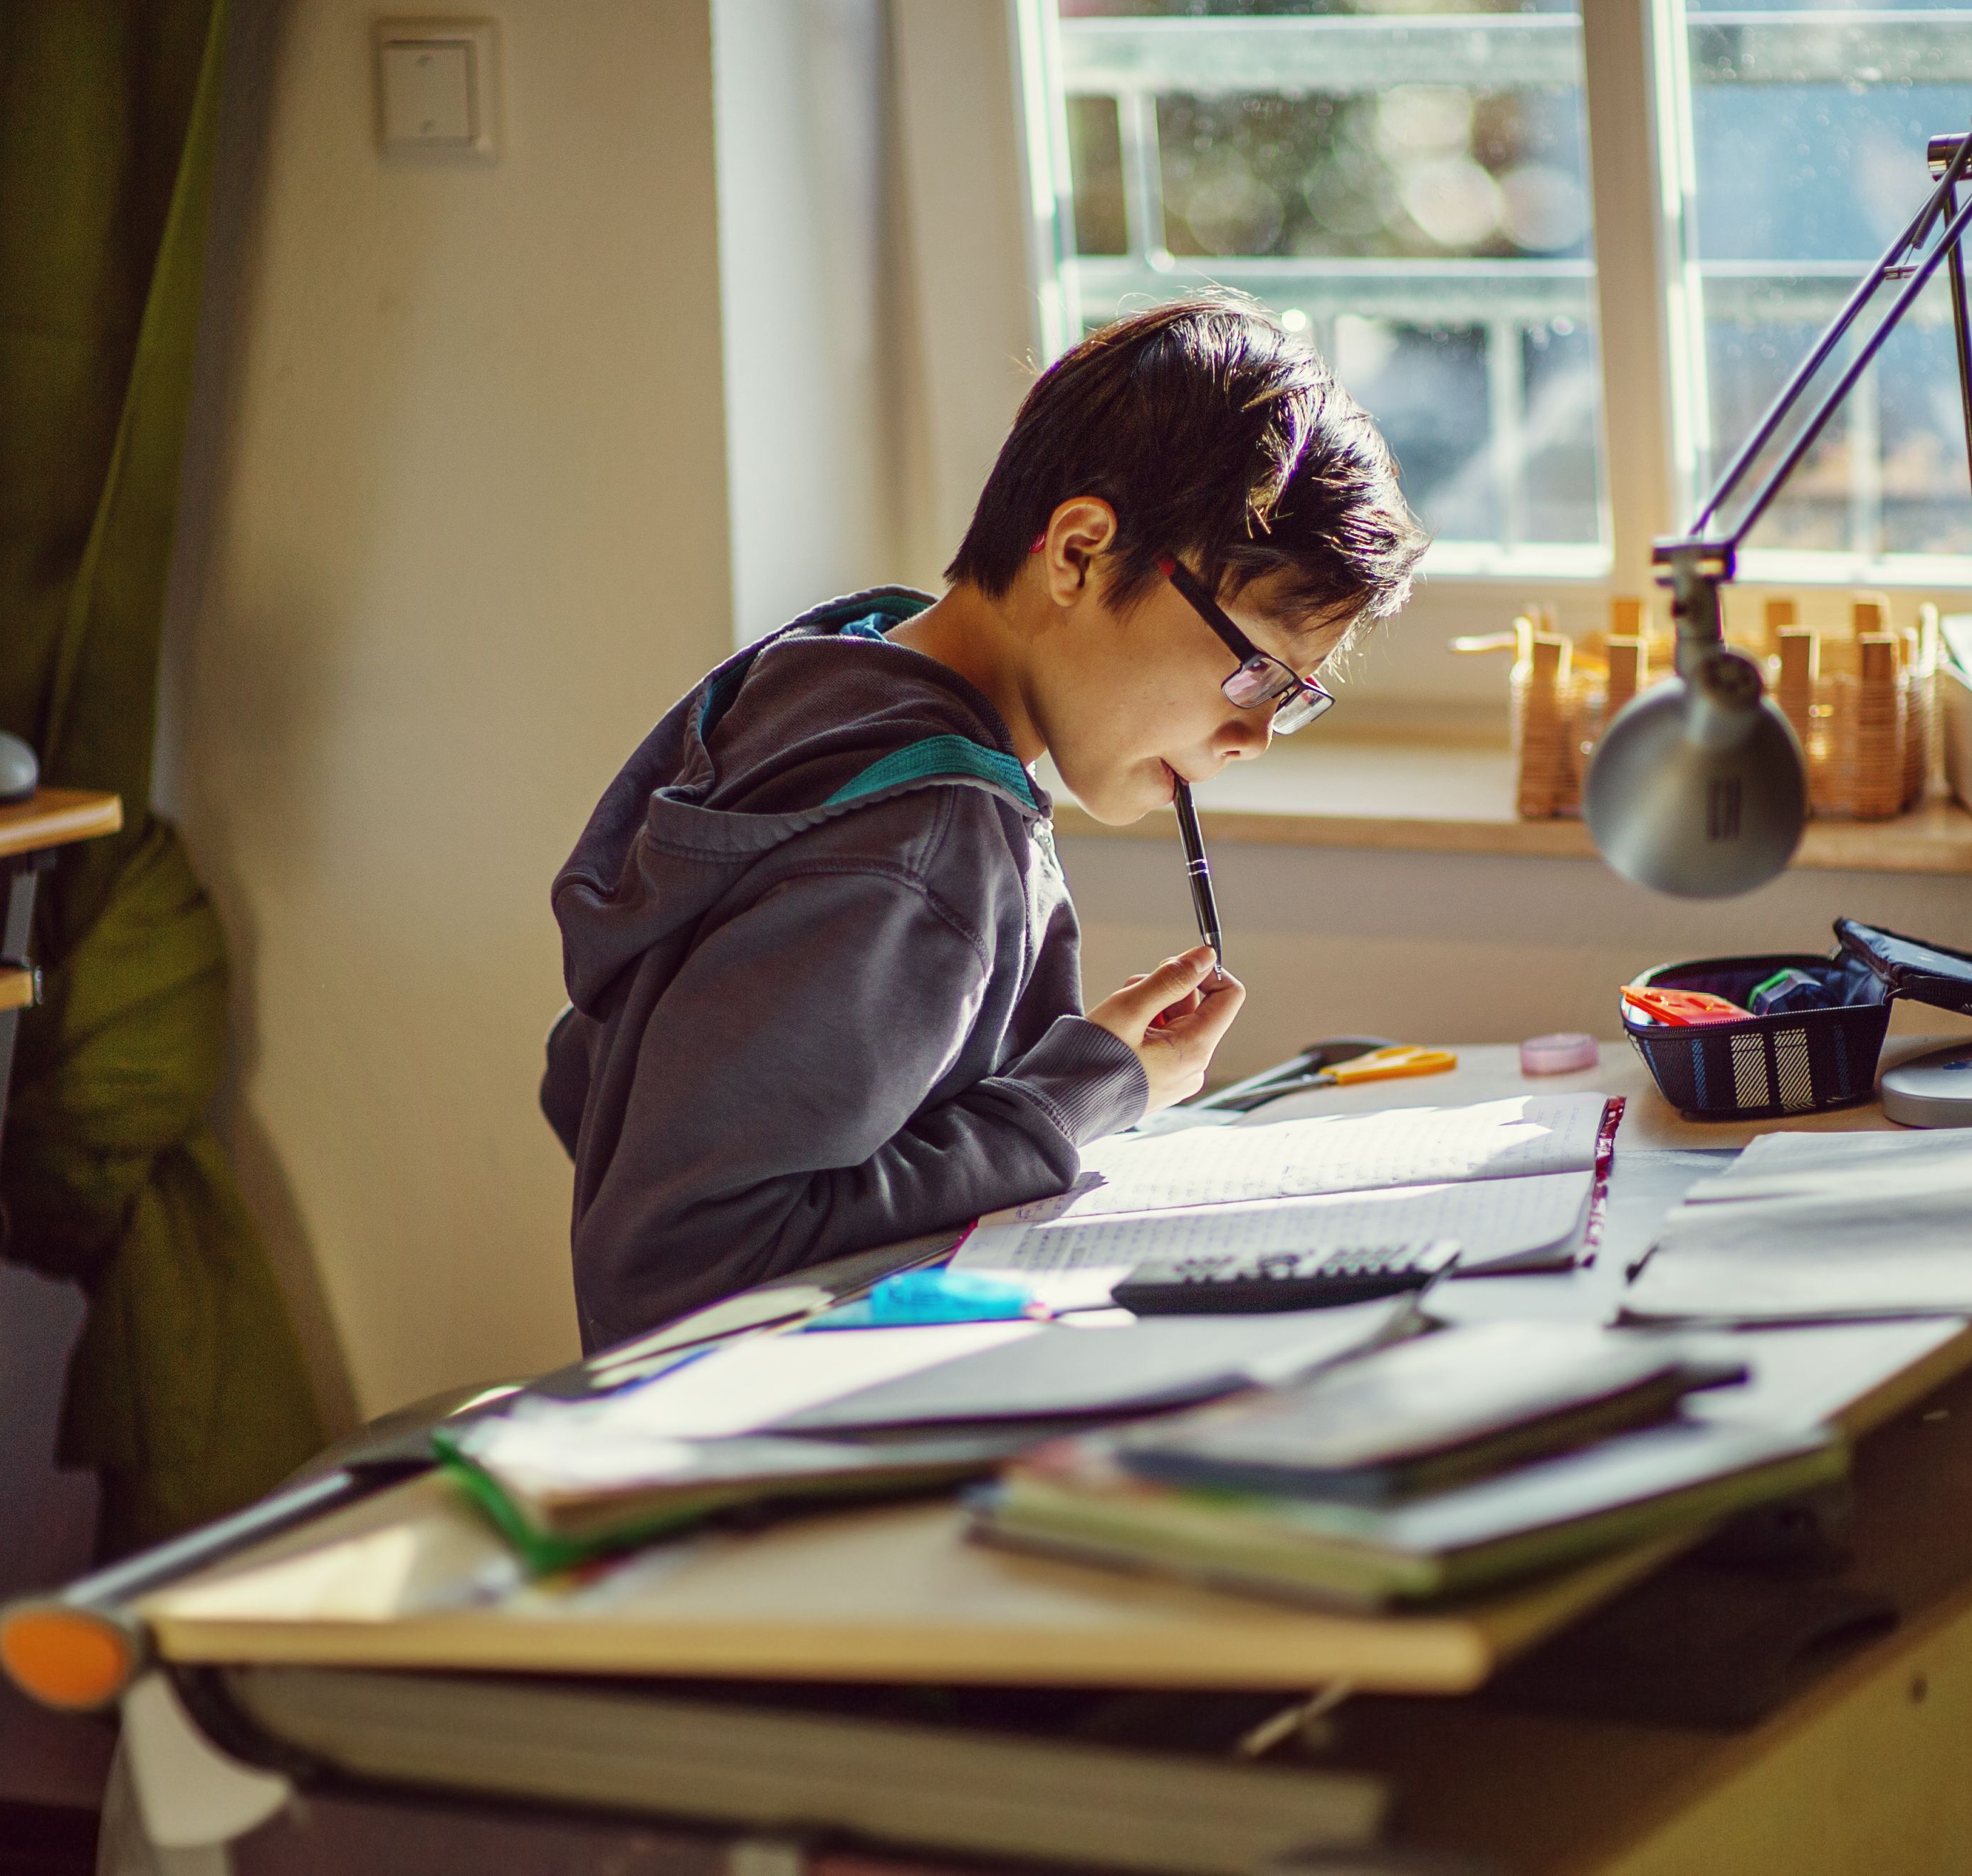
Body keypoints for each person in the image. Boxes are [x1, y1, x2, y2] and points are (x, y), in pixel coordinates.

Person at [540, 295, 1426, 1351]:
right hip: (787, 1429)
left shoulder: (824, 677)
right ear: (1080, 556)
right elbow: (681, 1263)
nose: (1254, 737)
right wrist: (1073, 1097)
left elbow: (607, 1087)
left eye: (1292, 697)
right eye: (1253, 671)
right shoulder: (920, 839)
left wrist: (1076, 1072)